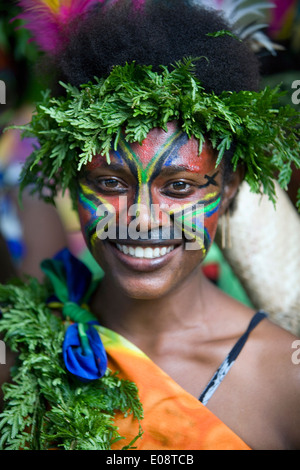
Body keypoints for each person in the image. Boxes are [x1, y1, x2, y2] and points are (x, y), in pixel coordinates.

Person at [0, 0, 299, 451]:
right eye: (108, 182)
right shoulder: (20, 352)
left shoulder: (286, 380)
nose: (141, 217)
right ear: (70, 179)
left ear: (231, 185)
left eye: (179, 186)